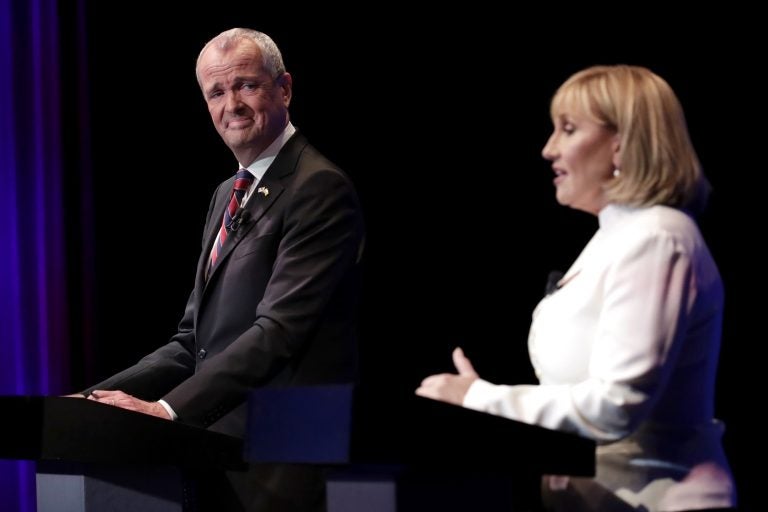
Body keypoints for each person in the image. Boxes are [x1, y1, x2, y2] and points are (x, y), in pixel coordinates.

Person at [416, 65, 736, 512]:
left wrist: (480, 398)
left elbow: (616, 404)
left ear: (622, 142)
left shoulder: (658, 237)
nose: (548, 149)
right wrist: (484, 402)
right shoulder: (615, 238)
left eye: (568, 129)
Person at [78, 28, 365, 511]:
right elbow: (193, 341)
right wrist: (92, 401)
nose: (232, 103)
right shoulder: (224, 195)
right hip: (218, 456)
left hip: (284, 460)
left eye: (247, 85)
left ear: (285, 88)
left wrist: (168, 409)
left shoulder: (318, 189)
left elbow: (277, 331)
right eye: (217, 92)